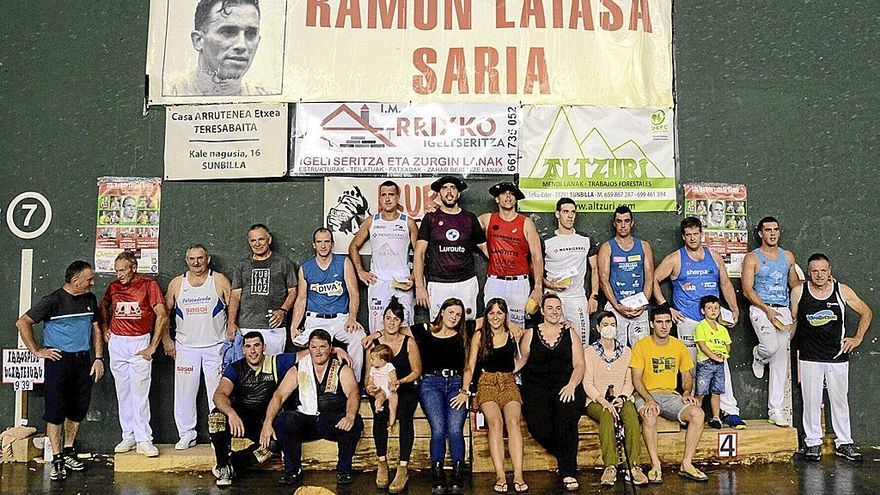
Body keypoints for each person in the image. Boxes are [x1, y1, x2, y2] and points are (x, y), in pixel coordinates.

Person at [653, 216, 745, 429]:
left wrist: (734, 308)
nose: (692, 238)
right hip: (688, 321)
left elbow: (725, 283)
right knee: (692, 368)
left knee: (721, 364)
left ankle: (730, 410)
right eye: (688, 235)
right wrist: (667, 307)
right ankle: (693, 413)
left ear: (701, 234)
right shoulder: (676, 258)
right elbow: (654, 280)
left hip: (712, 322)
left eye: (696, 234)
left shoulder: (713, 256)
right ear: (683, 236)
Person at [16, 261, 104, 481]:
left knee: (77, 411)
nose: (93, 282)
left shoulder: (90, 299)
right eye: (89, 279)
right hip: (58, 363)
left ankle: (68, 451)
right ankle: (57, 459)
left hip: (83, 362)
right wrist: (37, 350)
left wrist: (99, 358)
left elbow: (96, 328)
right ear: (75, 281)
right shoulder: (52, 301)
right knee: (56, 412)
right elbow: (23, 322)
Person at [790, 253, 873, 462]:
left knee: (839, 400)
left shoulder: (841, 290)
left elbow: (866, 312)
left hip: (837, 356)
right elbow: (793, 321)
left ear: (830, 272)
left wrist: (857, 338)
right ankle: (812, 443)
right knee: (811, 401)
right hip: (809, 356)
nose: (819, 275)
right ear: (809, 273)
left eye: (823, 271)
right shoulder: (799, 291)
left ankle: (844, 442)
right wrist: (784, 346)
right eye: (815, 271)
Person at [265, 330, 364, 487]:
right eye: (314, 347)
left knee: (356, 422)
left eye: (322, 346)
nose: (318, 351)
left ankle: (344, 471)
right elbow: (279, 396)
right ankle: (292, 471)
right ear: (308, 348)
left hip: (330, 421)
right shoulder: (299, 368)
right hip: (306, 421)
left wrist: (350, 416)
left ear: (330, 348)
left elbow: (353, 393)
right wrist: (267, 423)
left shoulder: (341, 368)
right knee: (285, 420)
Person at [163, 244, 231, 450]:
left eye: (200, 258)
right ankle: (186, 434)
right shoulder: (177, 284)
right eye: (192, 259)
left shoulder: (218, 280)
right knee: (184, 393)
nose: (196, 262)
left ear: (207, 259)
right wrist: (167, 340)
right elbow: (163, 315)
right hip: (186, 348)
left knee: (217, 395)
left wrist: (231, 338)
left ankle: (217, 437)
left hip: (216, 347)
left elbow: (234, 307)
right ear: (186, 261)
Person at [99, 252, 167, 457]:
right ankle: (128, 436)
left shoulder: (149, 285)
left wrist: (153, 346)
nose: (119, 274)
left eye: (123, 270)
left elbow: (162, 315)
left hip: (140, 342)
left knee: (139, 393)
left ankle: (144, 439)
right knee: (123, 392)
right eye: (117, 270)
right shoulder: (113, 287)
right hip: (118, 343)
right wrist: (104, 328)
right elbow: (104, 305)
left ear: (134, 267)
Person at [518, 294, 587, 491]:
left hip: (566, 386)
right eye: (550, 308)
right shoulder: (531, 334)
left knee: (566, 419)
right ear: (542, 311)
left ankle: (568, 472)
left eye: (558, 308)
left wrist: (572, 385)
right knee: (539, 427)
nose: (554, 312)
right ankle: (566, 456)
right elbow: (521, 361)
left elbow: (580, 364)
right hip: (537, 390)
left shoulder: (569, 333)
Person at [631, 306, 707, 483]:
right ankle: (655, 465)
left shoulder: (678, 346)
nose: (664, 326)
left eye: (667, 321)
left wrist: (687, 392)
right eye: (659, 322)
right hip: (645, 394)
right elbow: (636, 379)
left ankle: (687, 464)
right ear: (652, 324)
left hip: (670, 396)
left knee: (698, 414)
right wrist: (649, 400)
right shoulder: (641, 346)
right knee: (650, 416)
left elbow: (687, 376)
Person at [459, 298, 527, 494]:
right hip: (486, 382)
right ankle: (500, 475)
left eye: (499, 312)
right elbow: (470, 365)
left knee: (513, 422)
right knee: (495, 423)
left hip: (508, 381)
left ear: (506, 315)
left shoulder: (512, 334)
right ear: (486, 315)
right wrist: (465, 391)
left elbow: (525, 352)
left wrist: (514, 370)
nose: (495, 316)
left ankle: (518, 474)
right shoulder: (480, 336)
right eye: (491, 313)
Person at [209, 331, 294, 486]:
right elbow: (219, 395)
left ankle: (233, 464)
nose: (252, 351)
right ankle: (222, 466)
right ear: (243, 350)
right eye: (248, 346)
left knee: (274, 444)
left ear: (264, 347)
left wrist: (336, 350)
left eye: (256, 346)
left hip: (263, 421)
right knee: (216, 417)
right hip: (239, 419)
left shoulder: (275, 362)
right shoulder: (235, 368)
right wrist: (232, 414)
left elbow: (310, 353)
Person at [741, 217, 798, 426]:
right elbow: (747, 289)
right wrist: (768, 311)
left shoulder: (788, 257)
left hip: (783, 310)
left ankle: (775, 410)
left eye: (775, 230)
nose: (772, 234)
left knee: (781, 360)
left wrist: (794, 308)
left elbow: (794, 284)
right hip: (760, 308)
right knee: (771, 347)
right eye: (767, 230)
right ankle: (759, 355)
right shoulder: (752, 258)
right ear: (760, 233)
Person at [361, 298, 422, 493]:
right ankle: (382, 462)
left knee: (405, 416)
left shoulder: (409, 342)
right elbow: (367, 377)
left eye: (396, 319)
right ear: (383, 320)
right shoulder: (375, 344)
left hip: (403, 387)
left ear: (401, 322)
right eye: (388, 318)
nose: (392, 322)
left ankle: (403, 466)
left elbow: (416, 371)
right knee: (379, 415)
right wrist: (370, 388)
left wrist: (400, 382)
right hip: (381, 389)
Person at [583, 311, 648, 487]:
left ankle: (633, 466)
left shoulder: (626, 352)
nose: (609, 328)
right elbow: (587, 382)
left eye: (612, 324)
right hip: (597, 401)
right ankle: (610, 466)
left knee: (631, 417)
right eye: (605, 325)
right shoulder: (589, 353)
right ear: (598, 328)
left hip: (621, 398)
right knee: (606, 415)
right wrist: (603, 401)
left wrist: (623, 397)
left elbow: (630, 380)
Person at [291, 228, 366, 380]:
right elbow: (301, 299)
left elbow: (354, 293)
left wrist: (352, 318)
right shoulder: (306, 268)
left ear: (332, 244)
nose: (323, 246)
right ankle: (315, 383)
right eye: (319, 242)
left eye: (326, 242)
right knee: (297, 339)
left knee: (359, 337)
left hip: (340, 319)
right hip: (315, 319)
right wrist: (294, 326)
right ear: (314, 245)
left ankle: (354, 382)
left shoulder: (344, 262)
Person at [349, 181, 419, 334]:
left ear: (397, 197)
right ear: (379, 199)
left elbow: (420, 253)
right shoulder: (372, 221)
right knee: (377, 330)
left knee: (405, 328)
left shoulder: (408, 223)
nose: (387, 199)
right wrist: (361, 272)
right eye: (384, 195)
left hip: (402, 282)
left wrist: (415, 278)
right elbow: (353, 247)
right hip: (378, 283)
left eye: (391, 195)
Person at [414, 176, 487, 320]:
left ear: (458, 193)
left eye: (453, 188)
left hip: (466, 283)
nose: (449, 191)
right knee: (438, 327)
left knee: (467, 326)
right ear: (439, 194)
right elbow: (419, 253)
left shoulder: (470, 218)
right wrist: (419, 287)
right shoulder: (430, 219)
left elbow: (485, 248)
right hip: (438, 283)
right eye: (444, 188)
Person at [168, 0, 268, 96]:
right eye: (228, 32)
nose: (242, 45)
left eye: (250, 34)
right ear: (198, 40)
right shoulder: (167, 95)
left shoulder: (268, 100)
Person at [478, 182, 544, 327]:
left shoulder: (526, 223)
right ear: (497, 199)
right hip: (495, 282)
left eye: (512, 194)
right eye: (504, 193)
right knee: (491, 325)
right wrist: (486, 249)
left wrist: (538, 287)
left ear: (515, 199)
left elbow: (537, 256)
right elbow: (466, 231)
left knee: (517, 326)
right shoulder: (487, 219)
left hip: (519, 283)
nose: (508, 196)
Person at [228, 224, 298, 356]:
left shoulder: (283, 262)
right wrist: (231, 323)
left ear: (269, 240)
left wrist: (283, 311)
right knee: (247, 372)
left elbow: (293, 291)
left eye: (261, 239)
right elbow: (235, 296)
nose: (257, 244)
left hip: (274, 328)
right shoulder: (242, 265)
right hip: (246, 327)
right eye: (253, 240)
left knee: (272, 370)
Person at [543, 197, 599, 344]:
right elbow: (534, 271)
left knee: (582, 343)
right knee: (555, 343)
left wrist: (594, 295)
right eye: (565, 211)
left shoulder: (585, 239)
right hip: (553, 298)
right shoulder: (546, 241)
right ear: (557, 214)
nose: (570, 216)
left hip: (577, 299)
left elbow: (595, 269)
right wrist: (549, 284)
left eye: (573, 212)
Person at [598, 205, 654, 347]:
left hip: (639, 308)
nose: (623, 225)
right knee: (613, 350)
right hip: (615, 308)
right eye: (619, 221)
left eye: (626, 221)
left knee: (641, 351)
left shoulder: (643, 246)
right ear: (614, 223)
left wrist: (643, 303)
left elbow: (649, 278)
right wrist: (617, 306)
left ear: (632, 223)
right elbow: (604, 280)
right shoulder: (607, 247)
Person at [694, 295, 731, 429]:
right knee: (701, 392)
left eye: (716, 308)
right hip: (705, 363)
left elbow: (727, 345)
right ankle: (695, 417)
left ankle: (716, 417)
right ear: (703, 311)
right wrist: (714, 356)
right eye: (709, 308)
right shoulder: (701, 327)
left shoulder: (722, 329)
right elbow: (702, 345)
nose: (713, 311)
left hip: (720, 363)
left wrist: (722, 355)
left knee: (716, 391)